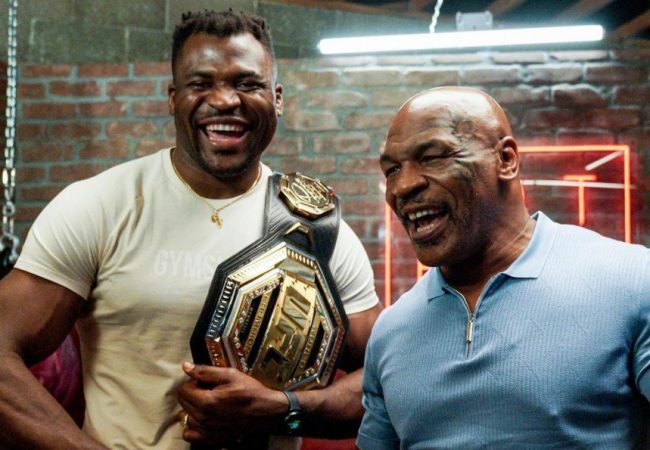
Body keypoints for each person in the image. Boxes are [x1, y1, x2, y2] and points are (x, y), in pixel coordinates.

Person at [0, 9, 382, 450]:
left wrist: (285, 408)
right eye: (201, 83)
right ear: (173, 98)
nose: (225, 100)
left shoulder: (317, 230)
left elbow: (384, 377)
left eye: (247, 84)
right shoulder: (100, 206)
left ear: (277, 98)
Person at [357, 86, 650, 449]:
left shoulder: (631, 282)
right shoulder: (391, 331)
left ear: (506, 159)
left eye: (431, 157)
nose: (402, 187)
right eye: (391, 170)